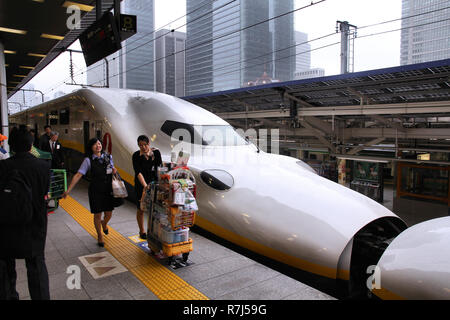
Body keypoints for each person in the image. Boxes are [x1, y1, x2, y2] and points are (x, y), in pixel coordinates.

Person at [0, 127, 51, 300]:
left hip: (7, 225)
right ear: (31, 146)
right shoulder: (44, 167)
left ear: (11, 146)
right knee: (36, 265)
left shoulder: (3, 167)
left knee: (6, 268)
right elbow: (45, 193)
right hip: (35, 225)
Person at [62, 138, 117, 247]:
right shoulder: (88, 160)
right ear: (91, 147)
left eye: (99, 143)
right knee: (97, 214)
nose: (98, 146)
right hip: (95, 190)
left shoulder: (108, 157)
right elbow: (78, 174)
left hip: (108, 190)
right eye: (95, 144)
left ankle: (104, 223)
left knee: (108, 213)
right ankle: (99, 235)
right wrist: (68, 190)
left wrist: (114, 170)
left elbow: (112, 169)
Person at [132, 135, 162, 239]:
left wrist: (161, 182)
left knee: (154, 209)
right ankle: (142, 231)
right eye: (140, 145)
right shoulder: (136, 156)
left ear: (149, 143)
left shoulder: (156, 153)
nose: (143, 147)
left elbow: (159, 168)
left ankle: (153, 230)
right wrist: (145, 186)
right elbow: (138, 172)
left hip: (154, 184)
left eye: (145, 144)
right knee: (141, 208)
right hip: (141, 185)